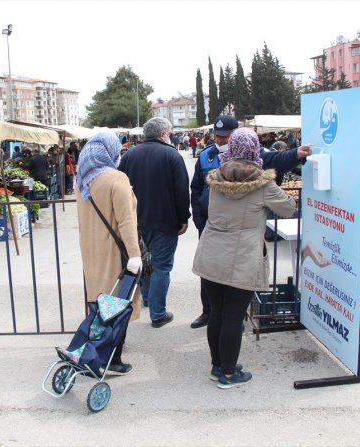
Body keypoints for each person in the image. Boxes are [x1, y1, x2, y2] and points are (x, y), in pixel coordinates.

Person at [192, 127, 296, 389]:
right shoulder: (262, 183)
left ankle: (218, 366)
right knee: (233, 317)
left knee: (217, 313)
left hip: (212, 253)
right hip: (242, 256)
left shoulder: (216, 177)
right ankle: (228, 374)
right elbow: (288, 209)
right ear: (255, 149)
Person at [189, 115, 313, 329]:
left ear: (234, 137)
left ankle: (228, 316)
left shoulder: (256, 155)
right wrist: (201, 220)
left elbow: (278, 160)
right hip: (213, 226)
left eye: (225, 137)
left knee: (233, 280)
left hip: (241, 231)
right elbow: (197, 188)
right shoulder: (206, 156)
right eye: (217, 136)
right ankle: (208, 312)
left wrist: (296, 154)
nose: (219, 141)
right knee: (211, 274)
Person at [76, 132, 142, 375]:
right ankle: (111, 358)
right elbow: (126, 221)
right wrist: (135, 254)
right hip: (116, 251)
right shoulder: (116, 178)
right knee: (117, 304)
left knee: (98, 302)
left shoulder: (82, 179)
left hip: (91, 250)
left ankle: (92, 351)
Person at [118, 117, 190, 328]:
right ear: (163, 135)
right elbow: (181, 190)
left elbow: (121, 188)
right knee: (161, 266)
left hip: (135, 222)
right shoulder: (171, 155)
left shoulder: (129, 155)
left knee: (145, 263)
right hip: (164, 221)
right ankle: (158, 314)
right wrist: (183, 218)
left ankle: (149, 300)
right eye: (169, 132)